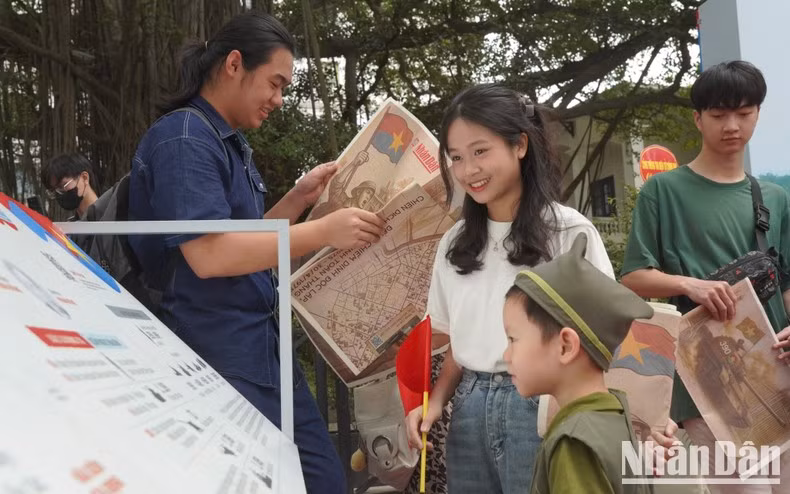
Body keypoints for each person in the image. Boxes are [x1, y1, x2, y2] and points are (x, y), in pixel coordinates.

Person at [127, 12, 386, 493]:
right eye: (275, 83)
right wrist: (322, 232)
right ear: (233, 64)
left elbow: (244, 239)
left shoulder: (229, 142)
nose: (279, 99)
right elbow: (209, 256)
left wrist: (299, 199)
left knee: (321, 479)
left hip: (261, 347)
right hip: (215, 351)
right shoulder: (184, 137)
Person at [406, 83, 615, 493]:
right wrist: (434, 404)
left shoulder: (569, 233)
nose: (468, 170)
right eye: (456, 157)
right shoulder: (454, 243)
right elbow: (459, 346)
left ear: (519, 145)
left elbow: (606, 339)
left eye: (480, 151)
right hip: (468, 411)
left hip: (542, 405)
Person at [621, 60, 790, 492]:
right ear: (698, 118)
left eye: (744, 113)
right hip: (706, 378)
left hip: (776, 371)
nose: (732, 126)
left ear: (757, 113)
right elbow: (633, 276)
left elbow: (785, 286)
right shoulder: (663, 192)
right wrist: (688, 284)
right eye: (718, 115)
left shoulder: (774, 198)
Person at [503, 233, 654, 493]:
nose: (506, 355)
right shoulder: (614, 415)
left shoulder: (575, 443)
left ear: (566, 346)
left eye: (512, 339)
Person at [41, 153, 99, 220]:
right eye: (53, 190)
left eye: (62, 186)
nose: (59, 193)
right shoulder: (71, 224)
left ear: (84, 178)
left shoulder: (108, 216)